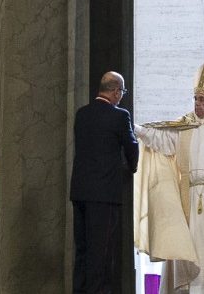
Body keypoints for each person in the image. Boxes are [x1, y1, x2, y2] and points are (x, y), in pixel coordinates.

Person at [133, 63, 204, 293]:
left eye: (202, 99)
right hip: (189, 197)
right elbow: (160, 139)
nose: (198, 104)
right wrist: (137, 129)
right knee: (189, 247)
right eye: (195, 98)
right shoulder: (184, 127)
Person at [70, 71, 139, 293]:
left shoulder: (82, 114)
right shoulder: (119, 116)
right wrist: (133, 166)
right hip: (104, 195)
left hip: (80, 193)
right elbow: (132, 147)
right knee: (101, 252)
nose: (122, 96)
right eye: (122, 92)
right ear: (116, 91)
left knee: (82, 251)